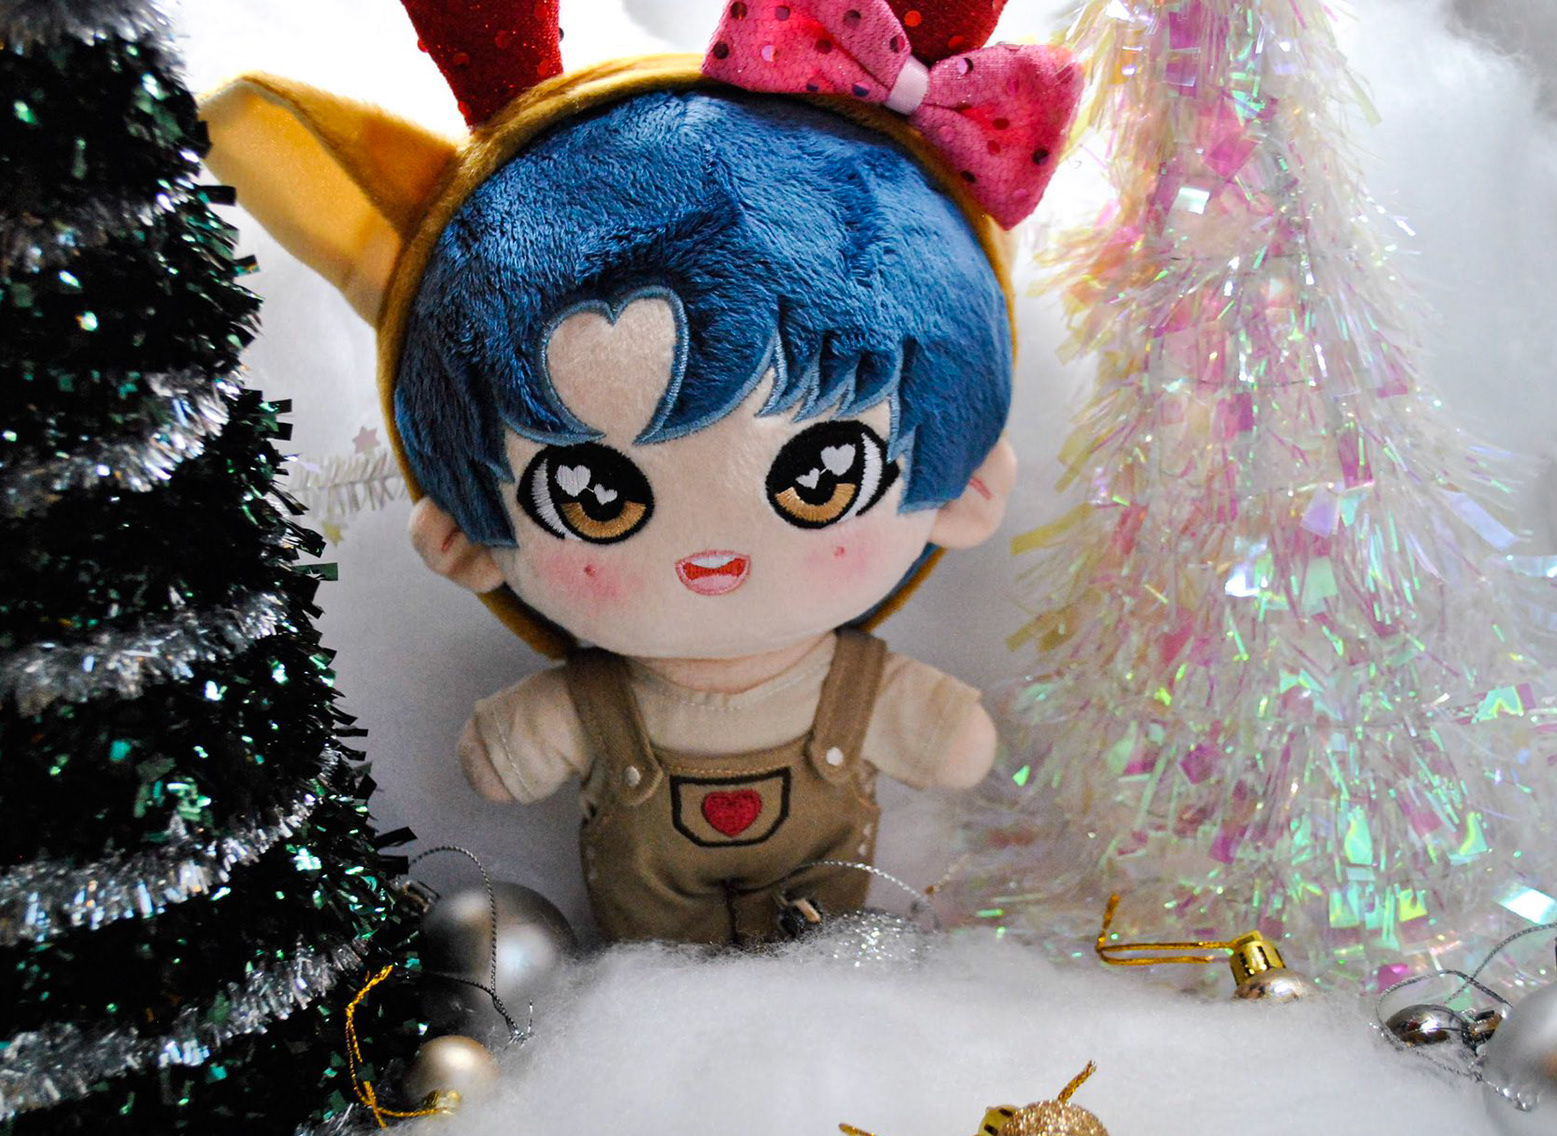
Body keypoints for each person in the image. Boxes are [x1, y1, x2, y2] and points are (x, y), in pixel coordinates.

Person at [202, 0, 1078, 944]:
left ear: (967, 490)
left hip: (831, 951)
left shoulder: (857, 685)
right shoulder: (597, 700)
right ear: (461, 535)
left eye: (821, 475)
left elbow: (955, 747)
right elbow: (501, 762)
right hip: (646, 952)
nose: (713, 554)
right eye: (595, 497)